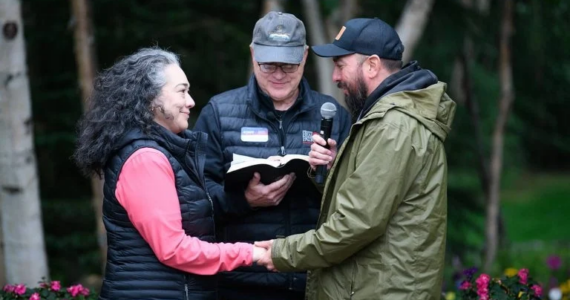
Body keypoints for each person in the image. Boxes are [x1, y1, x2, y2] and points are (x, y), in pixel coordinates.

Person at [255, 17, 457, 300]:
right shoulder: (383, 119)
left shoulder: (393, 127)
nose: (335, 77)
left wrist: (280, 253)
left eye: (340, 65)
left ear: (372, 65)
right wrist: (334, 169)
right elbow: (370, 203)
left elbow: (354, 225)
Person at [72, 47, 268, 300]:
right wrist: (250, 253)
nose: (191, 101)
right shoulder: (145, 160)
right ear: (151, 98)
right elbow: (174, 249)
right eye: (182, 91)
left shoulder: (165, 151)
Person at [193, 11, 351, 300]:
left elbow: (357, 206)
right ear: (253, 55)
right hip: (240, 283)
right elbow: (192, 202)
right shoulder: (217, 113)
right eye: (268, 65)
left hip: (314, 282)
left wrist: (332, 171)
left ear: (304, 57)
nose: (279, 74)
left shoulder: (334, 115)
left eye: (288, 64)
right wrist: (243, 201)